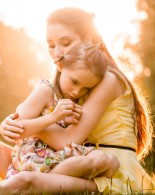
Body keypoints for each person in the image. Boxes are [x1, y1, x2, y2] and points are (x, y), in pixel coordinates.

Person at [0, 7, 155, 195]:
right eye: (51, 45)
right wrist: (13, 124)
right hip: (68, 163)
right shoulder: (69, 83)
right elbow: (41, 126)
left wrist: (28, 125)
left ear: (88, 39)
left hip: (107, 173)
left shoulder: (107, 79)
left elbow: (67, 140)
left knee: (25, 181)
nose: (57, 52)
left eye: (65, 42)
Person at [6, 42, 116, 179]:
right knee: (103, 159)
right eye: (75, 82)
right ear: (60, 66)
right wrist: (54, 117)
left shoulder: (72, 101)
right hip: (32, 159)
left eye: (86, 88)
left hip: (52, 158)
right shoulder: (46, 91)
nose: (77, 92)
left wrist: (66, 120)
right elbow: (16, 130)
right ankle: (32, 183)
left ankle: (41, 185)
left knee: (108, 161)